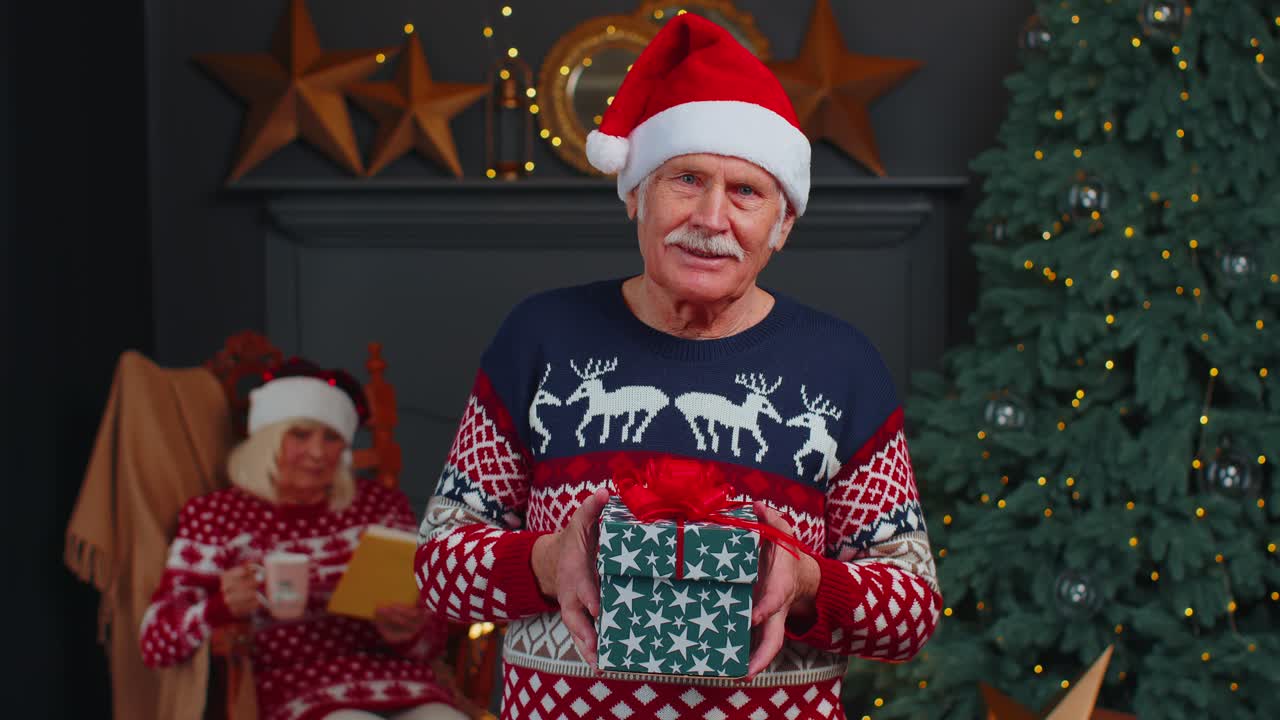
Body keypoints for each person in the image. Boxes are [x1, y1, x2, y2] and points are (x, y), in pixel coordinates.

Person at [414, 13, 941, 720]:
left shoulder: (840, 365)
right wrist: (548, 561)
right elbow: (437, 568)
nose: (712, 218)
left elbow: (910, 614)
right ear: (635, 193)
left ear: (782, 224)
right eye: (686, 179)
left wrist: (807, 579)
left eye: (746, 193)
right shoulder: (541, 336)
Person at [141, 359, 466, 720]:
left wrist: (409, 630)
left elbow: (433, 640)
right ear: (266, 438)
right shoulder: (215, 517)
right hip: (291, 689)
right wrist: (219, 607)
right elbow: (156, 642)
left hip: (399, 681)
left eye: (331, 438)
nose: (318, 452)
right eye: (300, 434)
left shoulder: (378, 504)